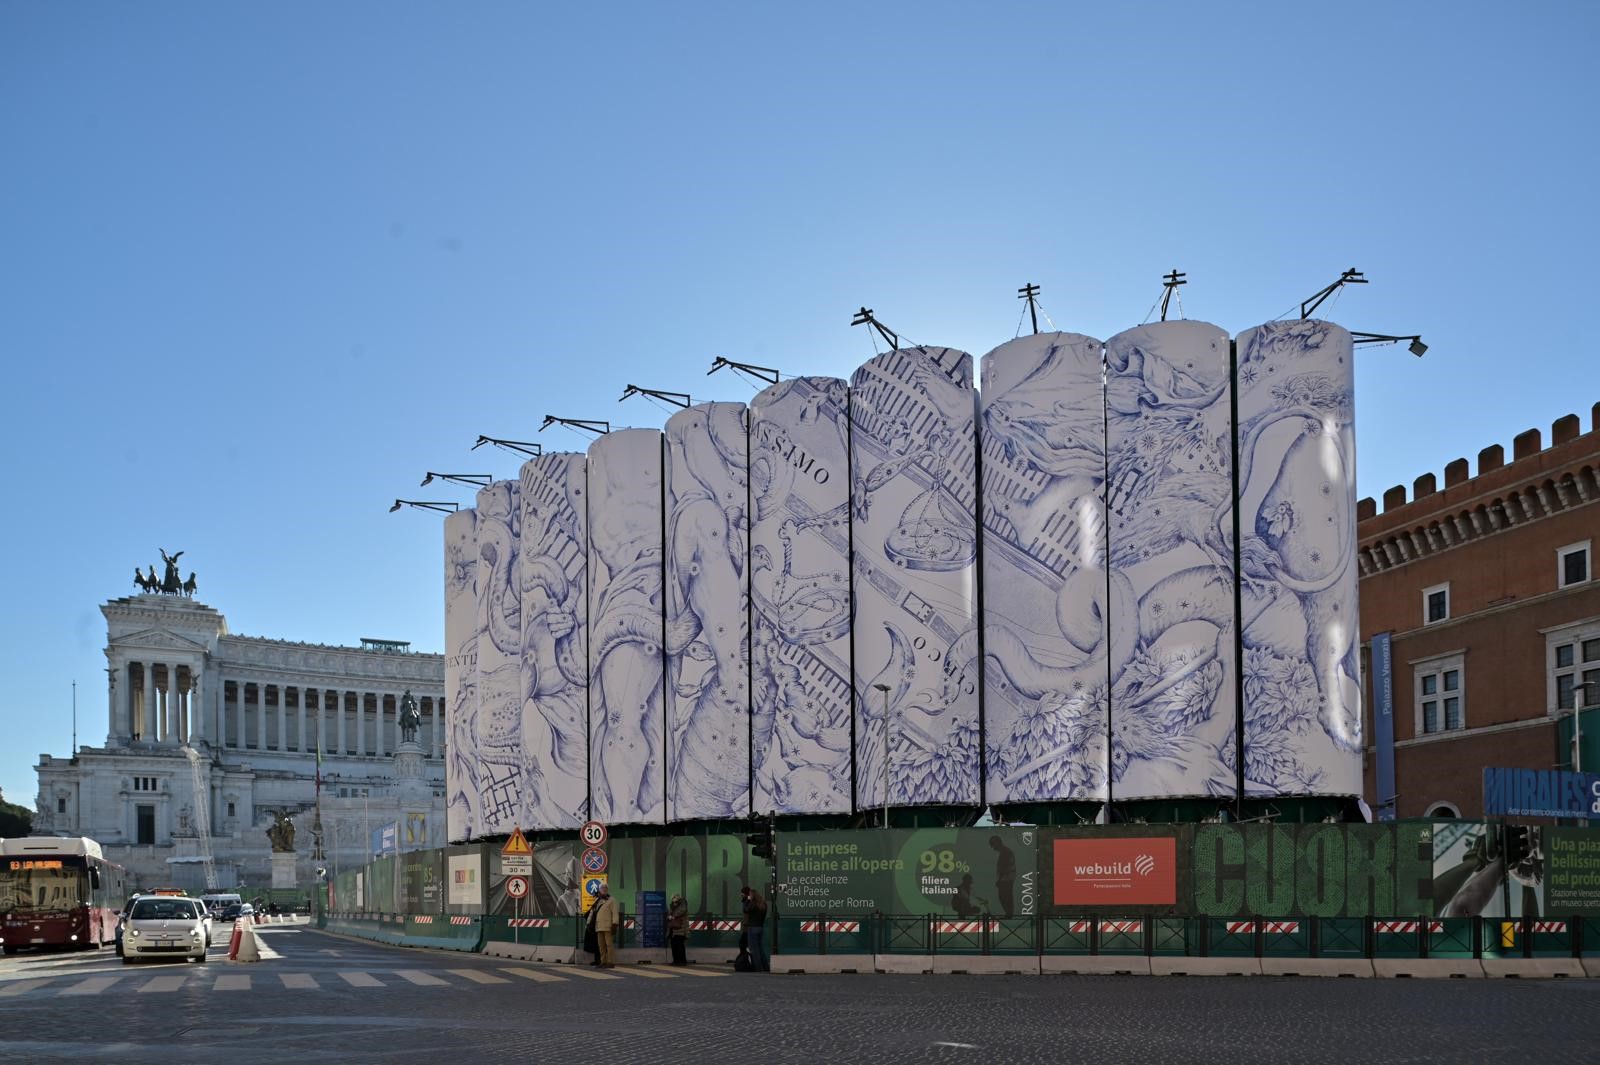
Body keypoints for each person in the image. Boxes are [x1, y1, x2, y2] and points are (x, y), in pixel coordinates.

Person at [740, 886, 768, 973]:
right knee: (760, 948)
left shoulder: (752, 904)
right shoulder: (763, 904)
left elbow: (746, 910)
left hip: (752, 928)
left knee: (754, 950)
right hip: (760, 928)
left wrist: (747, 900)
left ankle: (758, 968)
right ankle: (765, 967)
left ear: (752, 896)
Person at [990, 834, 1016, 918]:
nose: (993, 848)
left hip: (1006, 879)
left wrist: (999, 880)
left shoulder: (1005, 852)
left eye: (993, 845)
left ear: (997, 843)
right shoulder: (1005, 851)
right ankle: (1009, 914)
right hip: (1007, 878)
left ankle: (1009, 914)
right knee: (1006, 896)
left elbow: (1003, 868)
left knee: (1004, 896)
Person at [593, 886, 620, 968]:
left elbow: (615, 912)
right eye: (602, 888)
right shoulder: (598, 900)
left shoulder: (612, 900)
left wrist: (615, 924)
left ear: (607, 890)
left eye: (605, 888)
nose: (604, 889)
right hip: (599, 926)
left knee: (609, 945)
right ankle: (603, 961)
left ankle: (610, 962)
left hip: (608, 926)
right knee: (601, 945)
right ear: (599, 890)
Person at [667, 893, 689, 966]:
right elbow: (670, 913)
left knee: (680, 945)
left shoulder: (682, 903)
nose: (673, 900)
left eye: (675, 898)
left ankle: (682, 961)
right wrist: (669, 916)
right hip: (673, 929)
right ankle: (676, 961)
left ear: (678, 899)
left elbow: (682, 910)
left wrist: (673, 916)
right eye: (673, 899)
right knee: (674, 945)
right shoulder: (672, 906)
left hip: (681, 929)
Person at [583, 900, 601, 965]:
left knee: (597, 944)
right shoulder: (594, 908)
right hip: (592, 927)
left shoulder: (597, 907)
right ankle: (597, 960)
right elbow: (587, 915)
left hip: (595, 927)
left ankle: (598, 960)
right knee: (595, 944)